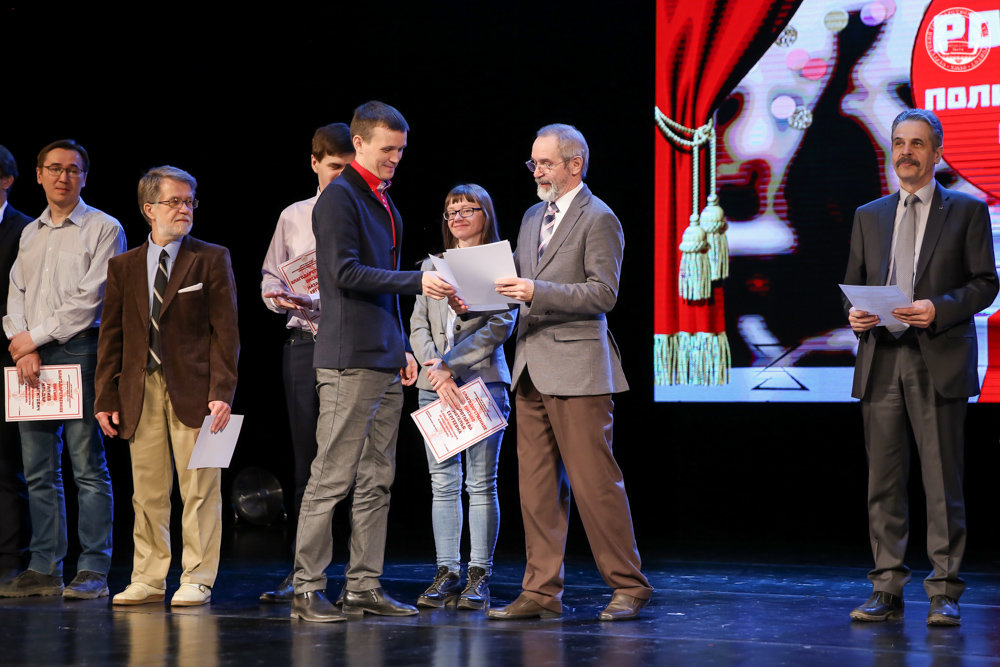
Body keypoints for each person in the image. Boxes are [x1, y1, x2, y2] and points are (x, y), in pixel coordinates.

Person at [288, 100, 455, 623]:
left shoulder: (383, 199)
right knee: (331, 477)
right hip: (347, 360)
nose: (395, 158)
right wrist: (417, 280)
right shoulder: (340, 198)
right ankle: (306, 588)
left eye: (401, 150)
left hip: (382, 357)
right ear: (358, 143)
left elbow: (383, 286)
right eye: (387, 149)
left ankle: (362, 586)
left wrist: (401, 345)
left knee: (377, 479)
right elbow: (344, 273)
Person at [489, 124, 652, 621]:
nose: (536, 172)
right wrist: (475, 292)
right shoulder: (531, 216)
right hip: (530, 368)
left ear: (574, 165)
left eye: (545, 163)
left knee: (594, 484)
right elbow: (515, 283)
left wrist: (536, 291)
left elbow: (604, 293)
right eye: (533, 163)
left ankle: (628, 585)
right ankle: (540, 591)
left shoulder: (599, 217)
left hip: (579, 370)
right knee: (537, 489)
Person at [844, 108, 998, 627]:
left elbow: (985, 283)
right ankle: (886, 587)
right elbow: (853, 283)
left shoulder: (967, 210)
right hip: (881, 358)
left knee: (941, 480)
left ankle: (944, 591)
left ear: (936, 153)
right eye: (898, 143)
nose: (905, 152)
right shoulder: (868, 214)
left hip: (938, 357)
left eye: (916, 143)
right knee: (883, 482)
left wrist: (939, 308)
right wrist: (854, 314)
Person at [94, 166, 239, 607]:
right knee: (148, 492)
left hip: (197, 392)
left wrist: (222, 392)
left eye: (189, 201)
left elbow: (226, 333)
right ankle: (148, 576)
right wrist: (105, 396)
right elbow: (112, 335)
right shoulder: (123, 266)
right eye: (174, 201)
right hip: (140, 390)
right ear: (149, 209)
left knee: (200, 488)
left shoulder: (210, 257)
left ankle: (197, 576)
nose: (184, 209)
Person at [0, 139, 125, 599]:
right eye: (54, 168)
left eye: (73, 170)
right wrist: (23, 346)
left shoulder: (104, 227)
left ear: (84, 177)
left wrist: (33, 338)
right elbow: (15, 292)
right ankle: (44, 567)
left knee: (86, 466)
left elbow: (91, 299)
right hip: (31, 358)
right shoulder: (29, 233)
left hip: (79, 351)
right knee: (37, 469)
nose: (63, 177)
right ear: (38, 175)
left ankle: (92, 568)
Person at [258, 123, 355, 604]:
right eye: (334, 166)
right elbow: (270, 277)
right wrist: (281, 298)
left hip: (351, 343)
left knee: (352, 460)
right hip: (304, 343)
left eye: (349, 167)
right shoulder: (293, 215)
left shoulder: (366, 212)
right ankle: (302, 571)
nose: (341, 176)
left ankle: (358, 575)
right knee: (307, 461)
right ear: (315, 163)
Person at [410, 184, 515, 610]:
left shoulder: (499, 265)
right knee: (442, 483)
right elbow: (418, 324)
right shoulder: (431, 267)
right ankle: (447, 571)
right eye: (451, 211)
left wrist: (450, 365)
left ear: (485, 215)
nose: (457, 218)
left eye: (467, 209)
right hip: (434, 385)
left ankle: (479, 574)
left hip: (482, 382)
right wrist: (437, 371)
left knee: (481, 483)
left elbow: (501, 324)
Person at [0, 146, 32, 584]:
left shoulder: (25, 230)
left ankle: (10, 558)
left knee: (8, 464)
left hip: (10, 357)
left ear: (6, 180)